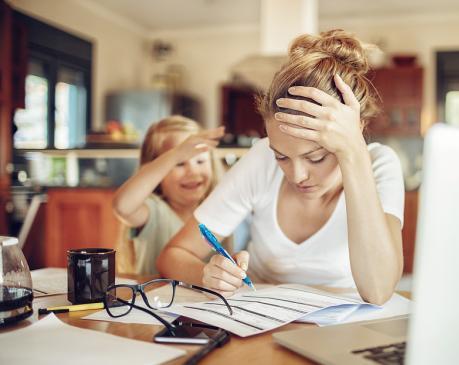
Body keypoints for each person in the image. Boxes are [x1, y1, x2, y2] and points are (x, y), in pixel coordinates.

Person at [157, 30, 404, 305]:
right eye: (282, 157)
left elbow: (379, 291)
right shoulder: (261, 158)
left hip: (341, 329)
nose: (297, 175)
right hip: (262, 321)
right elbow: (173, 254)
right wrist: (205, 273)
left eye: (316, 157)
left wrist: (354, 154)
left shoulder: (379, 164)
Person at [112, 115, 224, 275]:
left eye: (200, 161)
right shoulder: (154, 212)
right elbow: (122, 206)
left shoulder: (220, 210)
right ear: (156, 172)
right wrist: (175, 154)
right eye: (179, 163)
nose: (193, 172)